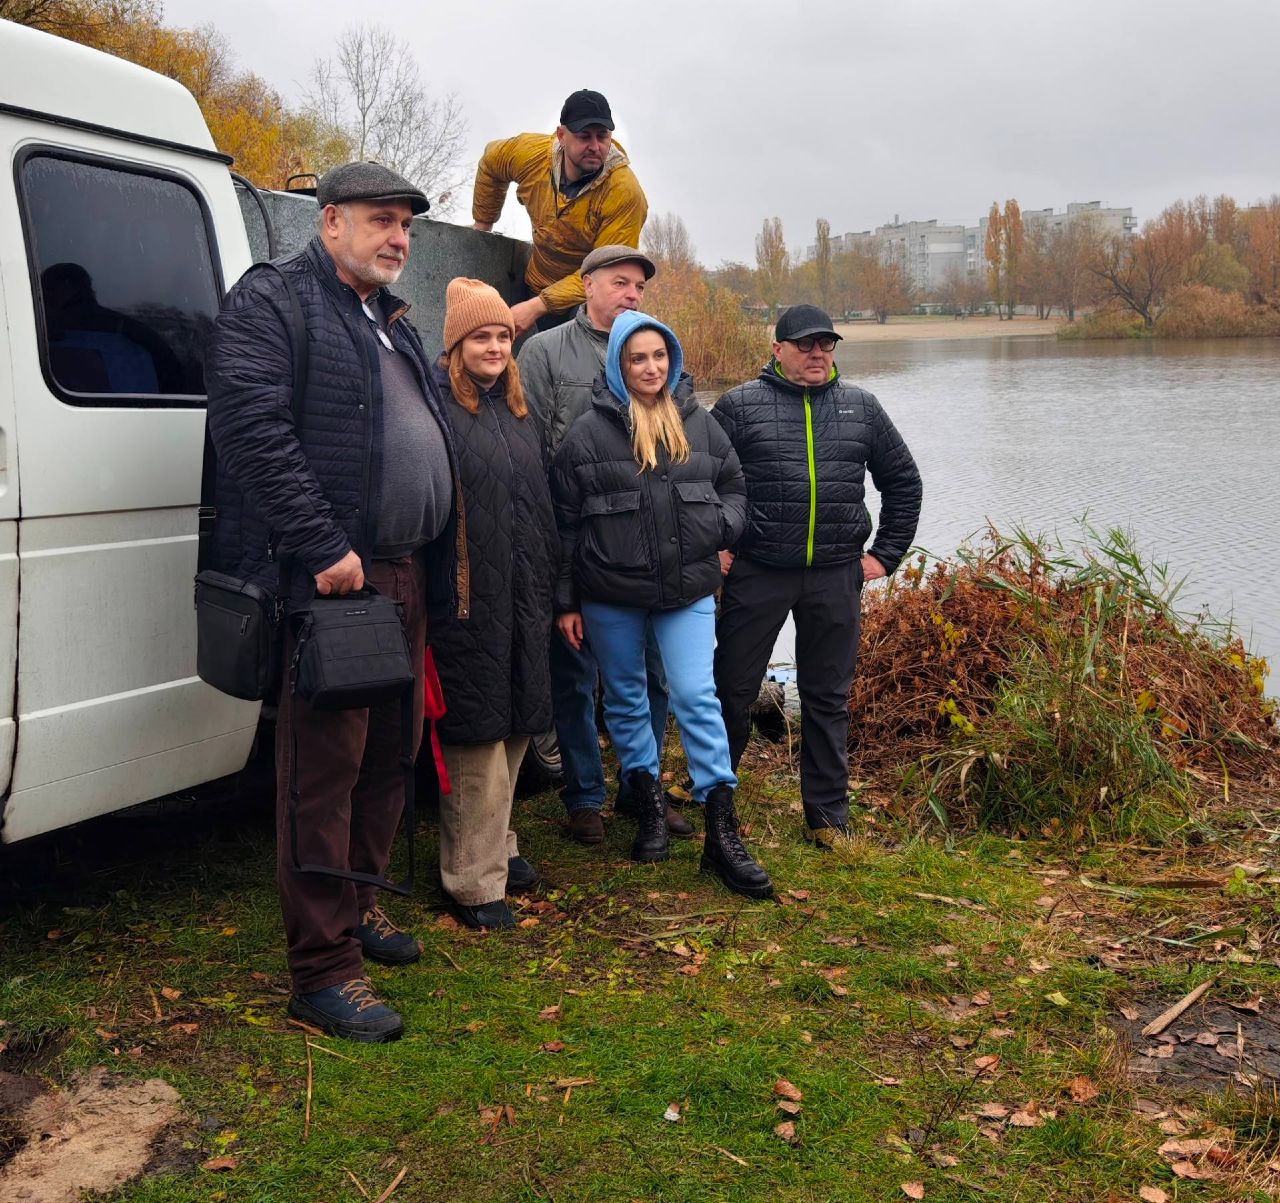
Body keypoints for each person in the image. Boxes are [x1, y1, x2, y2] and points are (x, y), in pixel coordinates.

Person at [206, 162, 462, 1043]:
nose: (398, 238)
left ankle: (359, 906)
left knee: (390, 758)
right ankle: (321, 971)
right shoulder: (277, 299)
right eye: (382, 221)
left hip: (403, 575)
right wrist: (324, 547)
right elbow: (248, 423)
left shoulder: (388, 318)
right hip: (338, 584)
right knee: (323, 771)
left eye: (407, 226)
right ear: (331, 224)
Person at [551, 311, 773, 899]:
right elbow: (566, 525)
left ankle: (721, 830)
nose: (650, 368)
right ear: (619, 366)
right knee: (624, 698)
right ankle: (647, 808)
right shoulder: (586, 434)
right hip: (609, 595)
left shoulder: (699, 424)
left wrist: (716, 531)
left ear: (671, 360)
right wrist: (567, 600)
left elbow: (735, 488)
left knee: (697, 696)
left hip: (688, 591)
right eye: (637, 358)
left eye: (659, 357)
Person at [711, 305, 923, 847]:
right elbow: (700, 480)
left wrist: (885, 555)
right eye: (805, 344)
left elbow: (903, 482)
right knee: (731, 689)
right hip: (757, 570)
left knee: (828, 697)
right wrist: (717, 545)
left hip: (835, 573)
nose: (817, 354)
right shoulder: (738, 406)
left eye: (826, 344)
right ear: (778, 348)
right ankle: (715, 798)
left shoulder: (861, 408)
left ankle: (827, 817)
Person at [519, 245, 690, 846]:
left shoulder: (654, 350)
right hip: (580, 544)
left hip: (649, 550)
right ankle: (584, 796)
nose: (632, 295)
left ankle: (640, 790)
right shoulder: (543, 351)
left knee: (654, 676)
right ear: (586, 286)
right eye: (621, 283)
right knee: (576, 675)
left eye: (640, 287)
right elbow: (530, 447)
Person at [427, 279, 558, 931]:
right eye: (482, 336)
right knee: (476, 739)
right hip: (468, 602)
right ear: (456, 343)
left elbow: (540, 509)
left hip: (524, 597)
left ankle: (499, 847)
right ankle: (472, 880)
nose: (496, 347)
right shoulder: (440, 408)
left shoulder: (516, 409)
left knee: (514, 727)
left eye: (504, 336)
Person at [471, 90, 647, 336]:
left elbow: (604, 271)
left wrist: (537, 306)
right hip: (536, 281)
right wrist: (483, 225)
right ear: (562, 136)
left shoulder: (625, 193)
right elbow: (491, 162)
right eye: (585, 136)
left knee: (573, 362)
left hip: (586, 303)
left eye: (603, 136)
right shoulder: (530, 154)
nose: (595, 147)